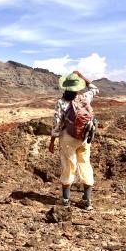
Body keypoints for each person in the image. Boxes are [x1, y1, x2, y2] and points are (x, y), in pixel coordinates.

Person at [48, 70, 99, 210]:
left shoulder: (61, 103)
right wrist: (82, 76)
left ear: (65, 87)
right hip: (83, 138)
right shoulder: (85, 98)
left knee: (68, 166)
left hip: (68, 139)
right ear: (78, 87)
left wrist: (52, 141)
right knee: (85, 164)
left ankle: (65, 200)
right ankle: (87, 201)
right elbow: (95, 88)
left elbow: (57, 124)